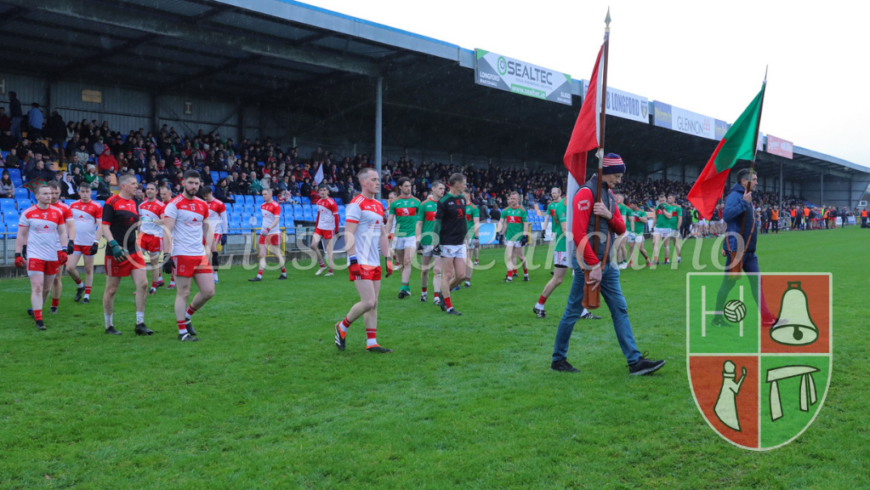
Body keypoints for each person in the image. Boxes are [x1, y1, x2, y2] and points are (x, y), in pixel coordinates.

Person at [551, 153, 666, 375]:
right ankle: (558, 359)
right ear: (605, 172)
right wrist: (593, 266)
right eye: (617, 175)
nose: (620, 180)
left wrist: (607, 213)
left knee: (619, 308)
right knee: (574, 310)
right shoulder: (586, 193)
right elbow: (577, 233)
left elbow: (621, 229)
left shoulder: (609, 196)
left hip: (607, 263)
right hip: (589, 263)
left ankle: (635, 362)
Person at [333, 167, 393, 353]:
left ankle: (371, 342)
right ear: (364, 182)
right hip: (360, 260)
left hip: (374, 261)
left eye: (378, 179)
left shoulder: (378, 204)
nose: (378, 182)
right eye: (374, 179)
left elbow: (383, 234)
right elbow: (348, 234)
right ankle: (342, 327)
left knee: (374, 303)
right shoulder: (356, 204)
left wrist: (388, 258)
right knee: (367, 302)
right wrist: (352, 260)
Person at [712, 168, 777, 329]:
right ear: (744, 181)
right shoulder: (736, 196)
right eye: (754, 179)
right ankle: (717, 318)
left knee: (757, 283)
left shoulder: (745, 195)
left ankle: (767, 318)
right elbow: (727, 216)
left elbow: (736, 224)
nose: (756, 182)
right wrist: (743, 202)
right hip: (737, 251)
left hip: (749, 252)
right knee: (727, 285)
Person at [163, 170, 216, 342]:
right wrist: (166, 255)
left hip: (199, 254)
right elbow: (167, 230)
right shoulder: (174, 204)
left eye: (196, 183)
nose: (194, 186)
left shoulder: (202, 204)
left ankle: (187, 316)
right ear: (183, 183)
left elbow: (207, 229)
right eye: (191, 182)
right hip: (181, 254)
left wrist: (213, 251)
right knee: (183, 293)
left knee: (208, 292)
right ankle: (182, 332)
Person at [101, 173, 152, 336]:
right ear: (122, 186)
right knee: (111, 290)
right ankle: (109, 326)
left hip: (133, 250)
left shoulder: (135, 203)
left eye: (136, 183)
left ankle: (140, 323)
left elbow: (135, 227)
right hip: (116, 252)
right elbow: (105, 226)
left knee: (143, 284)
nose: (136, 186)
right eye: (133, 183)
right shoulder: (111, 202)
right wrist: (114, 245)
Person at [15, 184, 70, 330]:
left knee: (46, 288)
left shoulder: (58, 212)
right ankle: (39, 320)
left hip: (52, 255)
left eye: (50, 194)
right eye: (45, 194)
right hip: (35, 255)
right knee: (38, 286)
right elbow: (21, 234)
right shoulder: (28, 213)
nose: (49, 196)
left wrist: (64, 249)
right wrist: (17, 254)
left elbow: (62, 232)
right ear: (37, 196)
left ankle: (35, 310)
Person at [435, 173, 467, 316]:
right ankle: (448, 306)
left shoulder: (462, 199)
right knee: (447, 274)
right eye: (464, 183)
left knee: (461, 276)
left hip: (460, 242)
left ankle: (444, 292)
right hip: (447, 241)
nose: (466, 185)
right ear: (457, 184)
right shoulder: (444, 201)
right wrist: (436, 242)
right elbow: (437, 223)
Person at [386, 178, 420, 298]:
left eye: (409, 186)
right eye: (406, 186)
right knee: (401, 263)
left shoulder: (416, 201)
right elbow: (390, 221)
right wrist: (386, 234)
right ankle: (407, 287)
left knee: (407, 261)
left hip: (411, 236)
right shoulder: (395, 203)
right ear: (400, 187)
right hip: (399, 235)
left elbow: (421, 221)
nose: (408, 188)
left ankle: (402, 287)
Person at [67, 185, 102, 303]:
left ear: (91, 192)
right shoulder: (72, 205)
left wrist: (96, 242)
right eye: (83, 191)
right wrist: (69, 239)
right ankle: (80, 285)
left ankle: (87, 296)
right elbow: (68, 223)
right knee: (70, 267)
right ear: (79, 192)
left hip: (89, 242)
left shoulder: (96, 206)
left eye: (87, 191)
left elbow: (100, 225)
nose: (85, 194)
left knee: (88, 269)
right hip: (76, 241)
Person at [46, 181, 75, 314]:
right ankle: (37, 306)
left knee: (57, 277)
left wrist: (70, 241)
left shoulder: (64, 208)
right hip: (42, 247)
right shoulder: (39, 207)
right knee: (41, 280)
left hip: (58, 246)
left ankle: (54, 305)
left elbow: (71, 226)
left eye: (56, 193)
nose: (53, 196)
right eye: (51, 193)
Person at [248, 188, 286, 281]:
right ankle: (259, 276)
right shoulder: (262, 206)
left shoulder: (276, 205)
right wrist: (265, 230)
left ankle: (284, 273)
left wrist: (268, 229)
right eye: (262, 194)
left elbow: (276, 220)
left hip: (273, 233)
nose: (263, 196)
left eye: (265, 194)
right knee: (261, 254)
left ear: (270, 194)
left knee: (277, 255)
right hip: (264, 233)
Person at [417, 181, 445, 305]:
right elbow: (419, 224)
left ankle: (436, 297)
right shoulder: (424, 205)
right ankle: (424, 293)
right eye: (440, 188)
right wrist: (418, 241)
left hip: (440, 241)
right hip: (426, 240)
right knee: (424, 270)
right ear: (433, 189)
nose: (442, 191)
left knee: (438, 269)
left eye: (444, 189)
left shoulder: (445, 204)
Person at [137, 182, 167, 294]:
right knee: (138, 261)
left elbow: (164, 221)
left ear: (156, 192)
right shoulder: (141, 205)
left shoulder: (161, 205)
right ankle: (141, 286)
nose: (149, 190)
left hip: (155, 236)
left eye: (151, 189)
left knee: (154, 263)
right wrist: (138, 234)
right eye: (147, 189)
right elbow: (140, 221)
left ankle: (154, 287)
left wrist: (151, 220)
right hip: (143, 236)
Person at [498, 191, 529, 282]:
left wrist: (525, 236)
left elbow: (525, 224)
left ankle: (526, 274)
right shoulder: (505, 211)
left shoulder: (522, 211)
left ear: (518, 199)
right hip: (509, 237)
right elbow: (503, 223)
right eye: (511, 198)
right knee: (509, 256)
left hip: (519, 237)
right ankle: (510, 277)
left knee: (521, 257)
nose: (512, 200)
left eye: (513, 199)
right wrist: (500, 233)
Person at [201, 186, 227, 284]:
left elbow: (224, 219)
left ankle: (209, 275)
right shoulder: (203, 204)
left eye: (206, 196)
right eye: (204, 196)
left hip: (215, 231)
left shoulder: (219, 204)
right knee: (212, 253)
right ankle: (214, 275)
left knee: (208, 252)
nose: (206, 198)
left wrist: (225, 233)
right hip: (204, 231)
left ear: (211, 193)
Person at [312, 184, 339, 276]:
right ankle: (322, 265)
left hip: (329, 228)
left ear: (328, 191)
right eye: (321, 190)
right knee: (313, 245)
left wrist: (337, 229)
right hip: (319, 227)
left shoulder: (332, 203)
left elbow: (336, 216)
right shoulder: (319, 202)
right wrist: (316, 226)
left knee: (329, 249)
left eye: (324, 190)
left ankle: (331, 270)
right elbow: (319, 215)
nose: (322, 192)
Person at [463, 188, 479, 288]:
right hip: (459, 235)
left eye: (463, 194)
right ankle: (458, 277)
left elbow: (477, 223)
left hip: (470, 235)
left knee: (468, 258)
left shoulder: (473, 208)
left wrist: (477, 237)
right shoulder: (458, 207)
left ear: (468, 195)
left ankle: (467, 280)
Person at [627, 201, 651, 267]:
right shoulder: (628, 211)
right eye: (630, 204)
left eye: (632, 204)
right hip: (630, 231)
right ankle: (631, 263)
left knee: (640, 248)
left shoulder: (641, 212)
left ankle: (647, 260)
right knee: (631, 247)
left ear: (635, 205)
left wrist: (639, 217)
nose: (630, 206)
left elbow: (645, 220)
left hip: (639, 232)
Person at [614, 193, 630, 269]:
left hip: (620, 229)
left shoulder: (622, 206)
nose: (617, 197)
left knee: (620, 246)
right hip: (616, 228)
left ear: (622, 199)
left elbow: (624, 219)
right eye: (616, 196)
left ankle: (622, 262)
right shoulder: (614, 204)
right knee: (619, 247)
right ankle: (620, 262)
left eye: (619, 196)